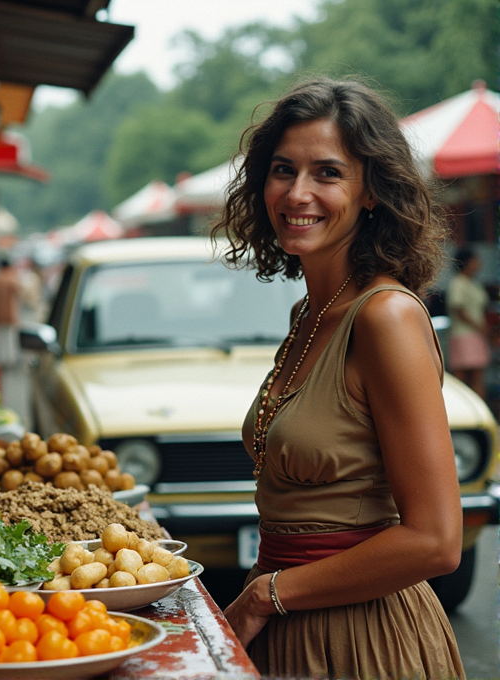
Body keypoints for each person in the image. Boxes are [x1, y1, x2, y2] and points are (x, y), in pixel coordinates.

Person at [213, 77, 465, 679]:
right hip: (285, 620)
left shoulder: (387, 317)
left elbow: (436, 540)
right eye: (283, 169)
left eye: (328, 173)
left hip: (362, 638)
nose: (298, 192)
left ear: (371, 192)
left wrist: (266, 594)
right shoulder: (311, 312)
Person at [446, 247, 491, 400]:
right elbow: (459, 310)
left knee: (478, 376)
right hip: (463, 334)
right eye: (475, 261)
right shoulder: (457, 283)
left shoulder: (473, 283)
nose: (478, 264)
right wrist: (480, 327)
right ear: (466, 262)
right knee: (462, 378)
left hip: (477, 334)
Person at [0, 257, 21, 368]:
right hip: (10, 314)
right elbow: (19, 289)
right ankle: (10, 359)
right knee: (10, 338)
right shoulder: (11, 278)